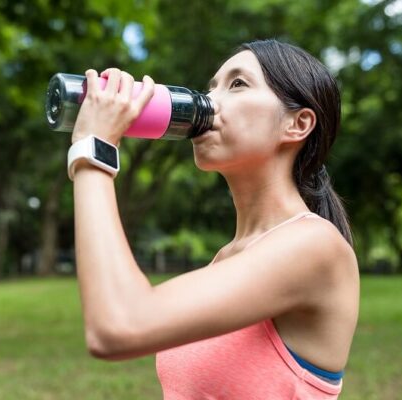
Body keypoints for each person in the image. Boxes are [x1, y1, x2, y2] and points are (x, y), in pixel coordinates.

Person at [68, 39, 359, 399]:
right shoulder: (227, 258)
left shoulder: (315, 246)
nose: (208, 101)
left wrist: (92, 149)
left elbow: (118, 326)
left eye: (238, 84)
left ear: (297, 124)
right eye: (211, 87)